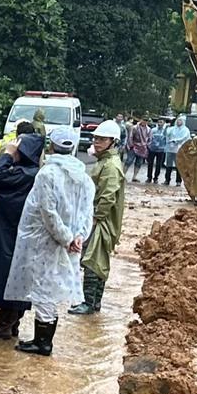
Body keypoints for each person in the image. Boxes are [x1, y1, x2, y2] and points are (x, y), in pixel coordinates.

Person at [3, 125, 96, 356]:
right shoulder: (83, 177)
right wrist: (78, 238)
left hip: (45, 241)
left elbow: (48, 211)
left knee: (44, 289)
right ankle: (42, 339)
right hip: (69, 242)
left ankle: (43, 343)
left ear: (51, 146)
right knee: (51, 288)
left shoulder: (47, 174)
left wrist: (65, 238)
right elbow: (87, 213)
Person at [0, 132, 45, 340]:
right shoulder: (33, 173)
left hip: (10, 232)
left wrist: (6, 154)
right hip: (22, 232)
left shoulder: (23, 174)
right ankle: (12, 324)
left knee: (7, 275)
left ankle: (5, 325)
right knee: (18, 276)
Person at [71, 119, 126, 316]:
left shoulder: (110, 165)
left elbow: (107, 196)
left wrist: (95, 218)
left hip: (102, 221)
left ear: (113, 142)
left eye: (102, 139)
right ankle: (94, 303)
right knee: (98, 260)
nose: (97, 142)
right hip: (99, 218)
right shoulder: (105, 161)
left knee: (92, 261)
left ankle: (89, 302)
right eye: (96, 138)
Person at [125, 117, 153, 183]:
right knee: (129, 161)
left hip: (143, 148)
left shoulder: (149, 129)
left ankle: (134, 177)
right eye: (143, 119)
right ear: (141, 120)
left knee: (139, 163)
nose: (144, 121)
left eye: (146, 120)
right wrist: (130, 145)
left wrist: (146, 146)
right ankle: (122, 175)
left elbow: (150, 139)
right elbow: (130, 136)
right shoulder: (135, 127)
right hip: (134, 146)